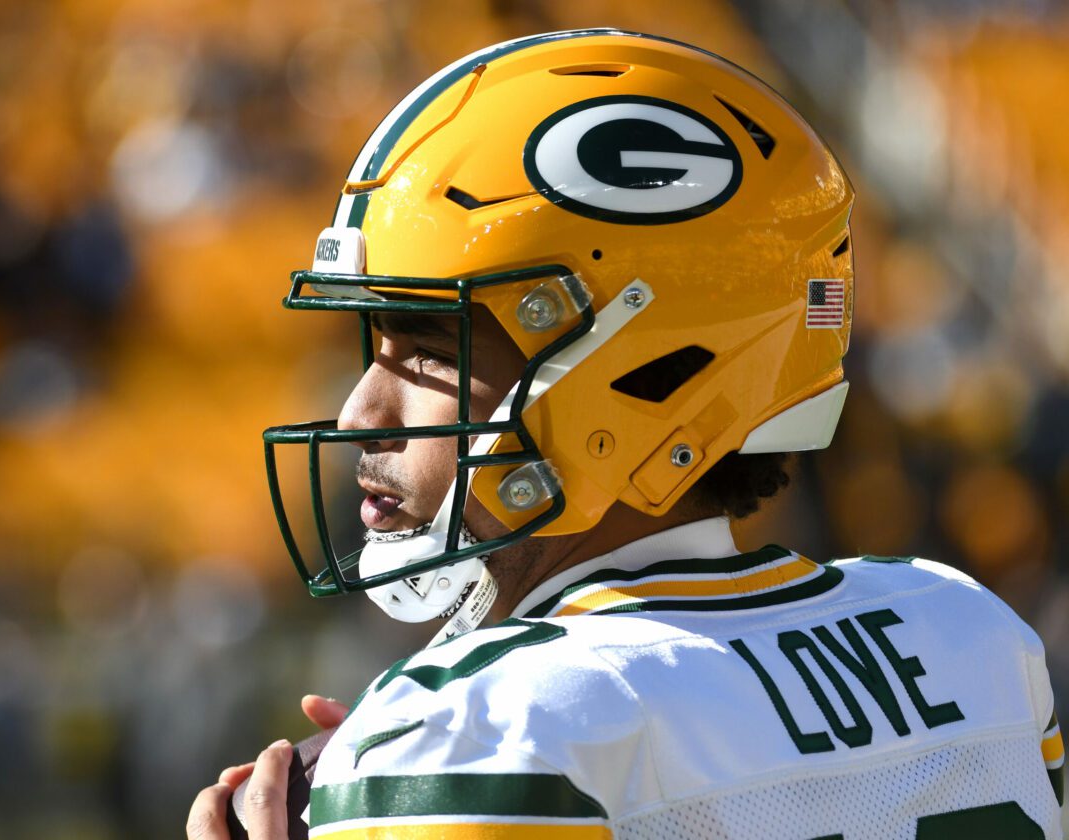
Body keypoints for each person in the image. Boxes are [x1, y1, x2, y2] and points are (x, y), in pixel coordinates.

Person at [189, 29, 1065, 839]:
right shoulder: (966, 633)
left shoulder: (491, 729)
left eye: (426, 350)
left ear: (633, 375)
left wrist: (404, 771)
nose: (360, 413)